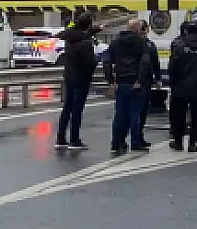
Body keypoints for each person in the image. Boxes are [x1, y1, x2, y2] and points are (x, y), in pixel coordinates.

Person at [103, 19, 154, 155]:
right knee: (135, 114)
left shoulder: (115, 42)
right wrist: (140, 80)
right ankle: (135, 142)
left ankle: (116, 142)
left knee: (119, 114)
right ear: (138, 29)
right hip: (135, 82)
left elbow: (107, 61)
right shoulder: (141, 43)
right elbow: (145, 62)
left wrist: (110, 80)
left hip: (120, 82)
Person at [167, 20, 197, 152]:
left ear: (186, 31)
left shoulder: (178, 45)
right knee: (196, 117)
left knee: (179, 116)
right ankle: (193, 143)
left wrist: (172, 83)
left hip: (181, 86)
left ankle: (178, 142)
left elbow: (173, 66)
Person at [56, 16, 100, 150]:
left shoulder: (69, 38)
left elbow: (81, 33)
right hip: (82, 78)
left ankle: (61, 138)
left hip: (69, 76)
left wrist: (95, 31)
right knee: (77, 109)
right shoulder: (86, 43)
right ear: (87, 26)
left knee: (67, 107)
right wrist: (97, 59)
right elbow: (90, 62)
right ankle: (74, 139)